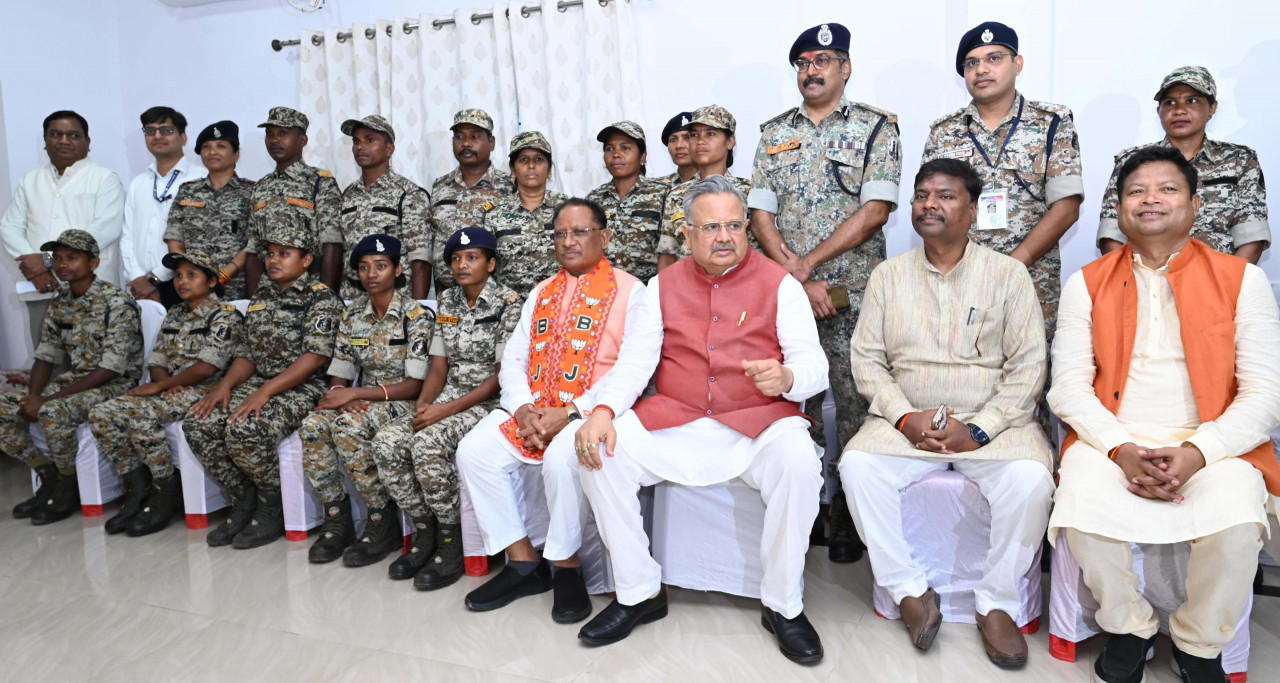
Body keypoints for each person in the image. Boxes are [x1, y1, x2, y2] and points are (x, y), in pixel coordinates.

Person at [1048, 146, 1280, 683]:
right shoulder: (1086, 283)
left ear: (1195, 205)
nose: (1150, 199)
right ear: (1120, 209)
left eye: (1168, 189)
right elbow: (1069, 389)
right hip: (1113, 437)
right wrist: (1121, 450)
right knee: (1080, 498)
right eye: (1136, 191)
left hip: (1213, 440)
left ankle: (1199, 644)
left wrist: (1198, 452)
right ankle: (1130, 627)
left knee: (1237, 518)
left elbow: (1265, 394)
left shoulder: (1242, 280)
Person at [571, 176, 827, 662]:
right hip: (679, 417)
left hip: (758, 421)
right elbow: (634, 364)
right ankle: (639, 592)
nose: (725, 237)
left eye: (734, 225)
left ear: (747, 227)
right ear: (686, 233)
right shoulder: (660, 287)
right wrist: (602, 412)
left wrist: (787, 377)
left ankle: (783, 605)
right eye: (711, 228)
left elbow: (815, 367)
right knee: (599, 452)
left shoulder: (781, 284)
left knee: (799, 463)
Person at [839, 159, 1054, 669]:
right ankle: (909, 591)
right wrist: (903, 417)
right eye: (921, 195)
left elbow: (1029, 367)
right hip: (908, 422)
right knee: (857, 467)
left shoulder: (1008, 274)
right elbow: (866, 360)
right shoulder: (887, 276)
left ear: (973, 210)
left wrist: (978, 429)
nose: (929, 204)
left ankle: (996, 603)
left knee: (1030, 480)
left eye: (945, 195)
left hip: (993, 423)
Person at [453, 198, 659, 623]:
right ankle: (523, 562)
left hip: (592, 413)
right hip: (533, 410)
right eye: (560, 233)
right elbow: (514, 359)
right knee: (474, 452)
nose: (568, 241)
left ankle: (566, 566)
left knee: (562, 461)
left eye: (580, 232)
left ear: (604, 236)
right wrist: (522, 409)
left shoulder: (632, 292)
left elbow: (635, 367)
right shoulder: (541, 292)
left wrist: (571, 411)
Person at [749, 22, 901, 564]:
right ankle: (805, 502)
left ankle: (851, 513)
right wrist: (796, 277)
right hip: (788, 291)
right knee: (792, 399)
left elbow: (875, 209)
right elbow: (760, 213)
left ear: (845, 67)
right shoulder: (774, 132)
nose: (811, 71)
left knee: (858, 399)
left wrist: (807, 266)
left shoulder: (877, 126)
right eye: (804, 63)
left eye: (823, 61)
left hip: (854, 291)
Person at [921, 21, 1084, 439]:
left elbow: (1066, 205)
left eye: (994, 58)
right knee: (960, 374)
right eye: (971, 63)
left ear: (1017, 63)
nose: (982, 69)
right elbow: (932, 209)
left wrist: (1012, 266)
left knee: (1034, 382)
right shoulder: (944, 131)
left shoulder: (1052, 121)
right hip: (960, 282)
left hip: (1031, 279)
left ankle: (1036, 466)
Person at [372, 226, 521, 589]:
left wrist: (444, 411)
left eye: (472, 258)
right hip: (446, 396)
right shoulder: (448, 301)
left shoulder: (510, 303)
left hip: (489, 403)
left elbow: (501, 377)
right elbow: (439, 366)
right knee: (387, 441)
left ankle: (452, 540)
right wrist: (424, 406)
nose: (462, 265)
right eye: (456, 259)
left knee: (426, 444)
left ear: (491, 264)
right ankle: (426, 530)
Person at [184, 218, 344, 549]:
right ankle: (244, 498)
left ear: (306, 259)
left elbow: (314, 358)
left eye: (284, 253)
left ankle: (272, 503)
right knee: (198, 422)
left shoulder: (321, 299)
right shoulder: (262, 295)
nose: (273, 260)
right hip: (260, 382)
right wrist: (225, 386)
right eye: (270, 253)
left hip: (305, 387)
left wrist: (263, 393)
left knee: (245, 427)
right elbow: (248, 352)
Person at [87, 250, 242, 536]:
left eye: (191, 275)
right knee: (101, 413)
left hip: (208, 390)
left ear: (211, 282)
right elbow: (157, 360)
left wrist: (161, 386)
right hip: (174, 387)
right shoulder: (175, 314)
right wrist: (168, 382)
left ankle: (165, 489)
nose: (182, 281)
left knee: (142, 416)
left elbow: (208, 367)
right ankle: (137, 488)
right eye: (179, 275)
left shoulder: (225, 315)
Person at [299, 233, 432, 566]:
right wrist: (339, 395)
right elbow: (341, 370)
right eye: (363, 267)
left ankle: (379, 520)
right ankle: (336, 519)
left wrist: (356, 394)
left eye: (381, 266)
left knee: (349, 427)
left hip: (401, 401)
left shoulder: (416, 315)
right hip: (364, 399)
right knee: (313, 424)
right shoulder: (353, 314)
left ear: (398, 269)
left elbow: (414, 385)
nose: (371, 274)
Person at [0, 230, 142, 524]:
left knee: (52, 411)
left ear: (94, 263)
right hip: (77, 381)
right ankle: (48, 474)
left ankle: (68, 487)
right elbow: (45, 355)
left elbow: (110, 369)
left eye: (72, 257)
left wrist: (47, 400)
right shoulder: (60, 300)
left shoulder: (117, 302)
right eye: (58, 258)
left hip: (114, 385)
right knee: (4, 406)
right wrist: (33, 396)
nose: (62, 264)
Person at [1098, 66, 1270, 264]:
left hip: (1219, 277)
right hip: (1146, 277)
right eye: (1170, 102)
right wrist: (1138, 279)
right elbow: (1111, 235)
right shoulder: (1132, 161)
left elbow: (1251, 237)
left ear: (1212, 108)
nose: (1179, 110)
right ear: (1159, 111)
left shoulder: (1239, 160)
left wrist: (1226, 281)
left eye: (1192, 101)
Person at [0, 111, 125, 347]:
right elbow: (10, 226)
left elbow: (104, 230)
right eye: (56, 134)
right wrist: (35, 268)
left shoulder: (104, 178)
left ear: (87, 142)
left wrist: (46, 260)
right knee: (45, 355)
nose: (64, 141)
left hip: (90, 290)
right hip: (42, 286)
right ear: (45, 141)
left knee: (90, 356)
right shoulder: (30, 180)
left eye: (73, 135)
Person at [243, 107, 342, 295]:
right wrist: (252, 301)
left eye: (283, 133)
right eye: (270, 134)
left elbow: (332, 244)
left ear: (302, 140)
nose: (274, 140)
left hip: (308, 291)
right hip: (268, 293)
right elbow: (254, 249)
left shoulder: (320, 183)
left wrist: (326, 297)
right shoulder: (260, 187)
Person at [335, 116, 432, 299]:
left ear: (389, 149)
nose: (360, 147)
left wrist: (418, 308)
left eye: (369, 140)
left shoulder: (409, 194)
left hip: (395, 300)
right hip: (352, 299)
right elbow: (344, 252)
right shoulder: (348, 195)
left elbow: (420, 259)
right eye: (356, 141)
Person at [121, 106, 206, 309]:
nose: (157, 136)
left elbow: (198, 240)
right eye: (150, 131)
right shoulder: (138, 183)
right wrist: (138, 277)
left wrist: (154, 279)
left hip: (185, 282)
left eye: (166, 130)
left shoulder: (202, 178)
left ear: (183, 138)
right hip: (140, 286)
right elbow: (127, 236)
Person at [164, 121, 255, 301]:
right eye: (206, 147)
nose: (212, 152)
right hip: (195, 290)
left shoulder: (252, 192)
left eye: (221, 146)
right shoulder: (187, 191)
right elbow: (175, 238)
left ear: (236, 154)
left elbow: (254, 242)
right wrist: (191, 275)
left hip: (235, 289)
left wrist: (225, 274)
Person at [656, 104, 755, 269]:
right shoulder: (676, 195)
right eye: (694, 135)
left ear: (730, 141)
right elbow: (668, 254)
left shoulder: (749, 192)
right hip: (688, 282)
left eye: (710, 134)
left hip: (738, 281)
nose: (700, 141)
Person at [429, 109, 515, 294]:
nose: (466, 143)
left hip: (494, 297)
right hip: (447, 296)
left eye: (474, 137)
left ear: (491, 143)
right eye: (459, 137)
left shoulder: (510, 187)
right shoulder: (440, 186)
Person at [484, 131, 568, 294]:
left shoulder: (568, 209)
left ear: (549, 170)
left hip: (559, 300)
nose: (531, 166)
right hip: (509, 304)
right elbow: (485, 265)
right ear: (513, 170)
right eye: (523, 159)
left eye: (539, 159)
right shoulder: (495, 213)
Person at [585, 121, 669, 283]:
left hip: (646, 290)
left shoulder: (663, 194)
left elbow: (670, 252)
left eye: (625, 148)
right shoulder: (593, 199)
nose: (616, 154)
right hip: (601, 290)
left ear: (642, 157)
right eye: (609, 149)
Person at [656, 111, 696, 186]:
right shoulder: (657, 186)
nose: (679, 145)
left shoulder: (716, 184)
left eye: (687, 138)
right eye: (673, 140)